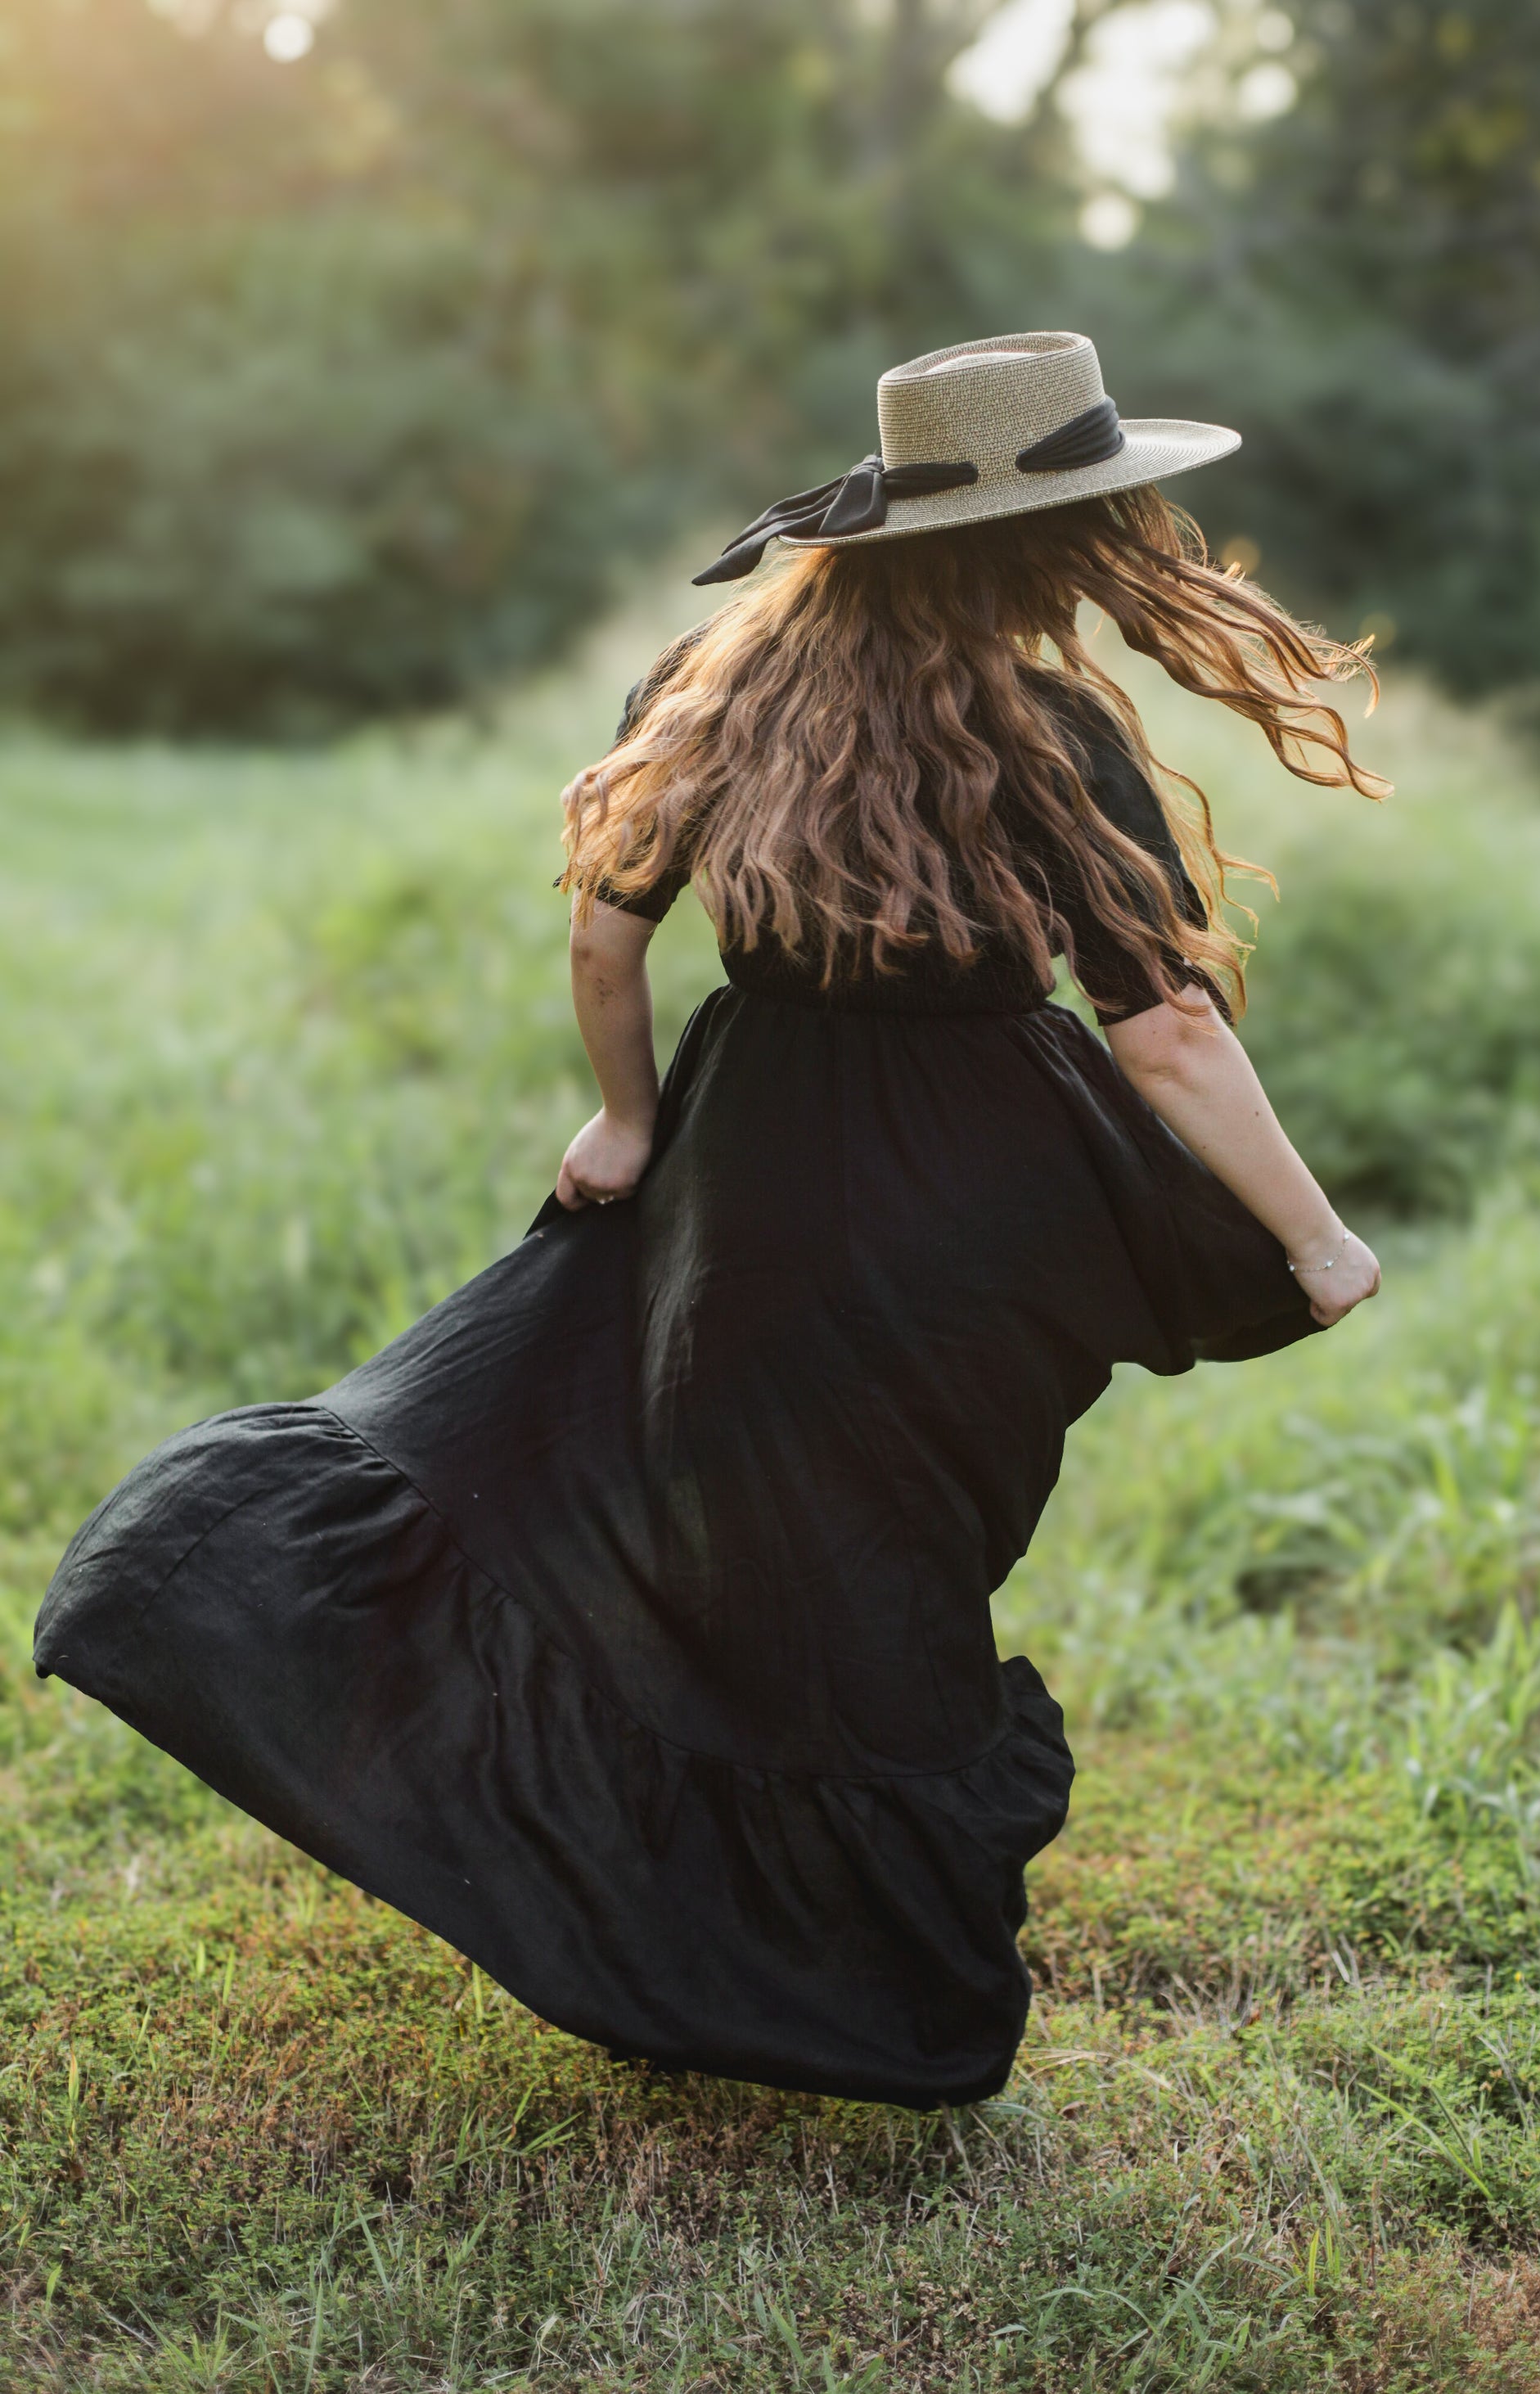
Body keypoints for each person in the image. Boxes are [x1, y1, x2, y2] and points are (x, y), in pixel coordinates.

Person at [37, 332, 1380, 2111]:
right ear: (1054, 537)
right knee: (891, 1567)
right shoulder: (1049, 735)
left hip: (740, 1182)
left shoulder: (719, 685)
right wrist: (1313, 1236)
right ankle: (861, 1995)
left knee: (713, 1536)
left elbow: (605, 941)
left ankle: (720, 1946)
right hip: (980, 1205)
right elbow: (1170, 1030)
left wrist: (627, 1118)